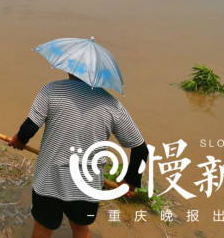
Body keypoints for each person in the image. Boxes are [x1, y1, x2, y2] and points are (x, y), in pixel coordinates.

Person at [8, 73, 149, 238]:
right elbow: (141, 149)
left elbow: (29, 129)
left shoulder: (51, 90)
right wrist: (130, 181)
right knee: (80, 229)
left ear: (70, 68)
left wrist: (20, 140)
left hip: (49, 181)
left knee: (43, 230)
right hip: (87, 186)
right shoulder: (112, 105)